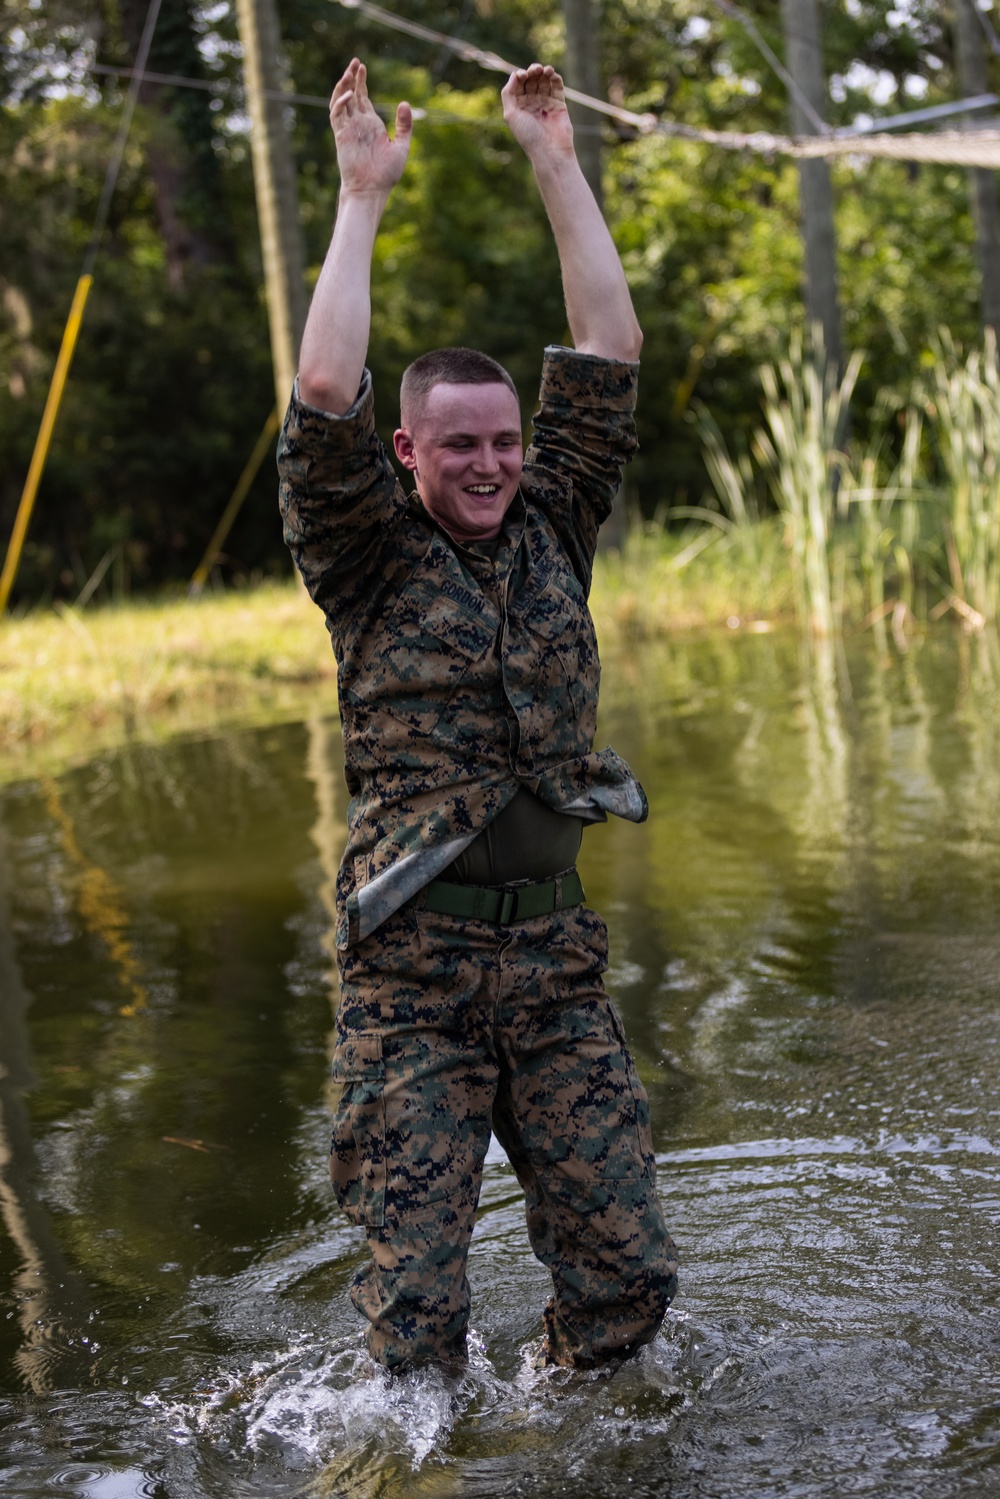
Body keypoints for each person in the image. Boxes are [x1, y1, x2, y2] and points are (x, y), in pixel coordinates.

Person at [278, 56, 678, 1371]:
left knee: (626, 1286)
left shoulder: (558, 520)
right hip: (415, 986)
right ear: (412, 453)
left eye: (505, 440)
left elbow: (610, 349)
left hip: (555, 964)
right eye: (462, 444)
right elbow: (325, 392)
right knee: (418, 1322)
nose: (494, 463)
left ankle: (577, 1444)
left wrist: (553, 155)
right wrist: (358, 201)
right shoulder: (367, 555)